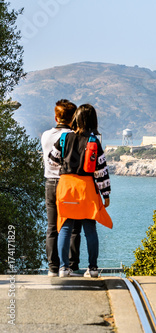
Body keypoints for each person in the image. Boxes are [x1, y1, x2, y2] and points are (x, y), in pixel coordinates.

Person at [49, 104, 113, 278]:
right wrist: (106, 194)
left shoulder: (64, 138)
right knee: (90, 229)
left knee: (65, 227)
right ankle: (92, 269)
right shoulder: (93, 141)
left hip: (66, 187)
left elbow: (52, 160)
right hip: (86, 189)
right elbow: (101, 172)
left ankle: (63, 268)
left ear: (76, 118)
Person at [41, 99, 82, 277]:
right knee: (72, 227)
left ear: (56, 116)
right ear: (73, 118)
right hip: (69, 183)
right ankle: (71, 266)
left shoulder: (45, 135)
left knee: (52, 227)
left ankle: (53, 267)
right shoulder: (75, 136)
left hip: (50, 182)